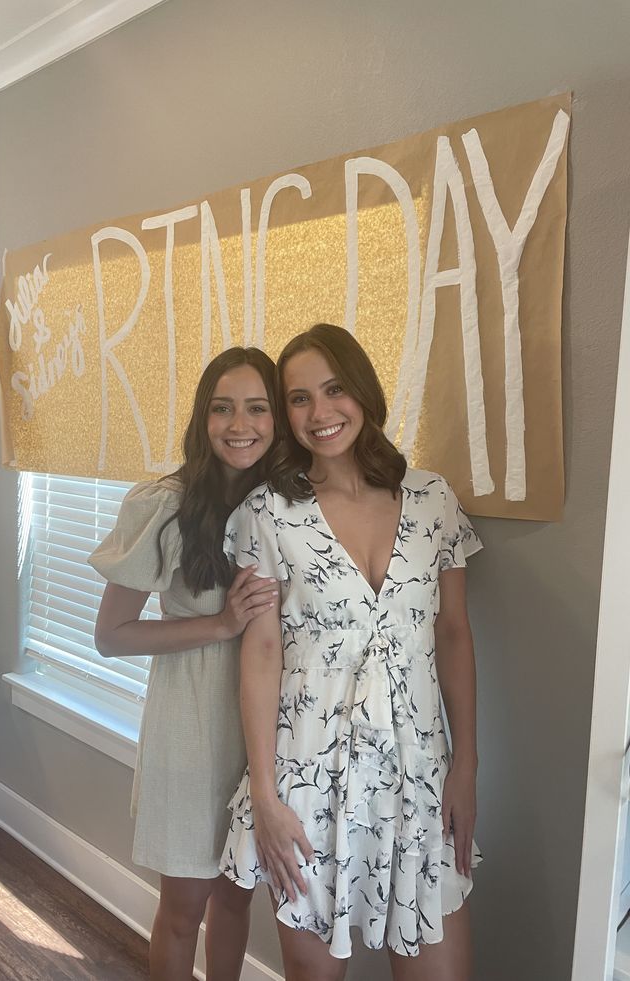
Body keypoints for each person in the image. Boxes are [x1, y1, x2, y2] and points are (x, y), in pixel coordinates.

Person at [221, 324, 482, 981]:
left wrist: (467, 764)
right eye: (299, 398)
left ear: (363, 391)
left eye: (334, 389)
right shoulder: (270, 513)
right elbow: (260, 655)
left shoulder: (432, 501)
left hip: (418, 776)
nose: (320, 412)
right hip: (308, 780)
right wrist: (264, 793)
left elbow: (453, 633)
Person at [89, 347, 280, 981]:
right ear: (202, 418)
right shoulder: (166, 506)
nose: (239, 424)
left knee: (236, 899)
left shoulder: (289, 509)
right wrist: (221, 624)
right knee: (184, 907)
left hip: (268, 736)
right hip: (191, 728)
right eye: (222, 408)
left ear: (278, 418)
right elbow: (111, 635)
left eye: (257, 407)